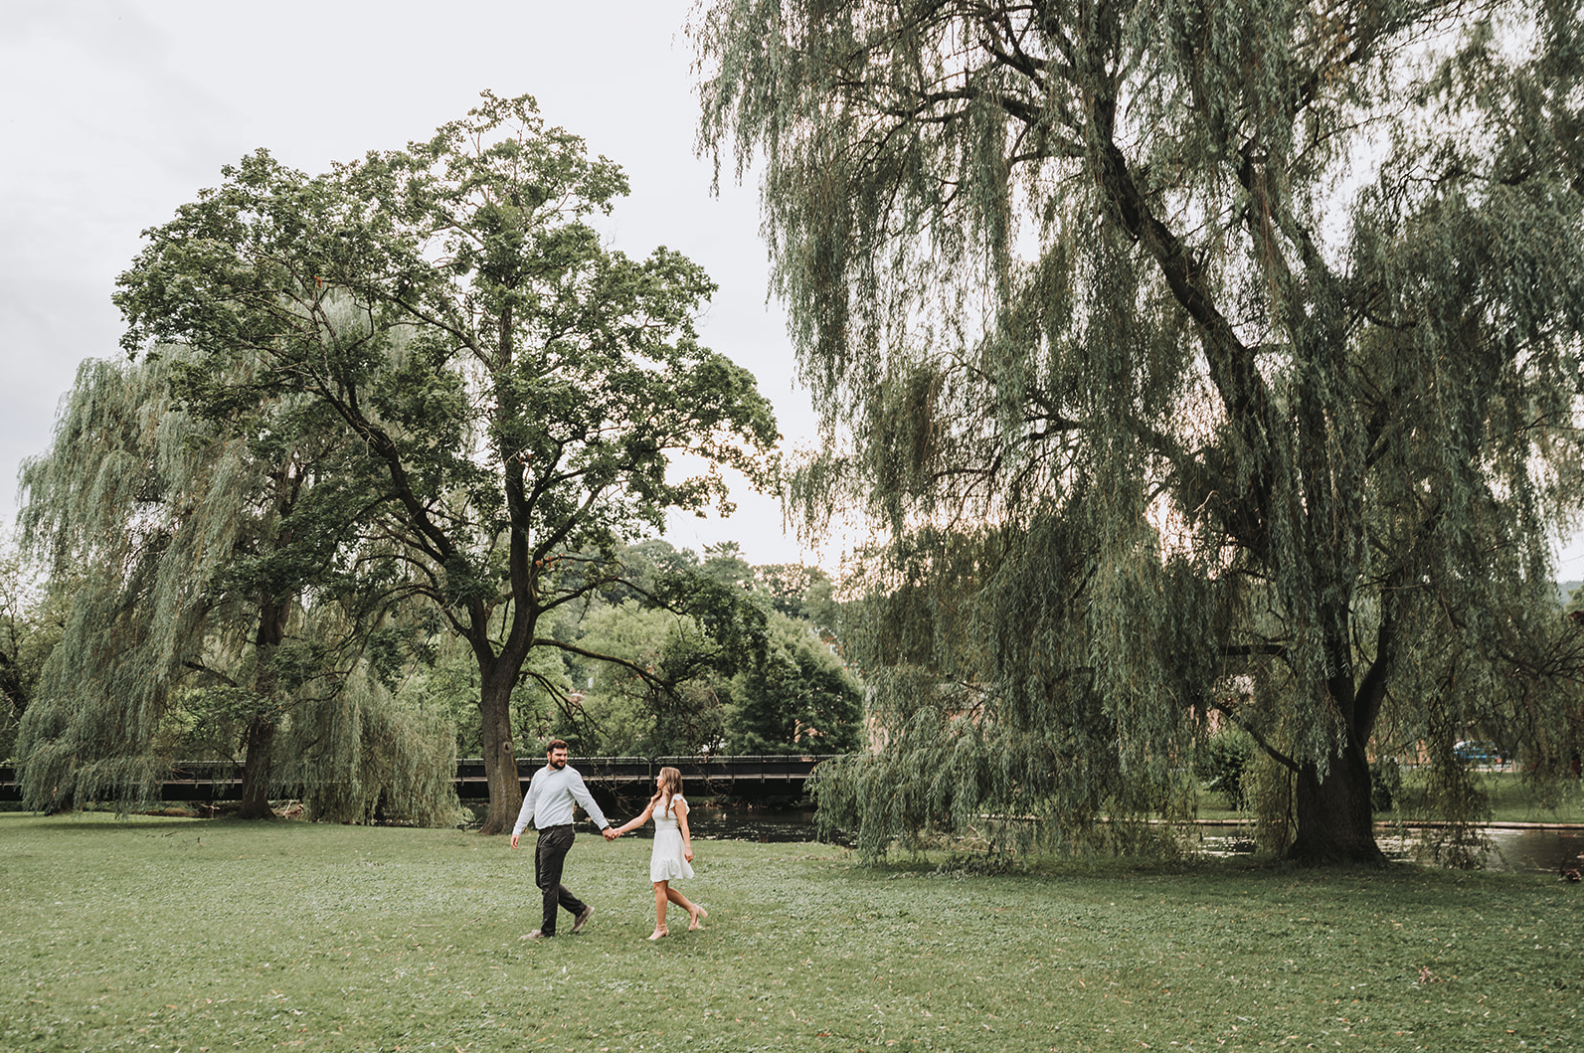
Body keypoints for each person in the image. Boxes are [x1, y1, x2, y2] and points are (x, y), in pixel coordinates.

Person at [509, 739, 618, 939]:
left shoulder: (570, 776)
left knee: (548, 883)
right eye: (559, 755)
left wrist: (604, 826)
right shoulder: (539, 776)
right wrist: (518, 829)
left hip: (561, 833)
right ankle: (580, 909)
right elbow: (529, 804)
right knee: (541, 881)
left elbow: (587, 801)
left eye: (565, 755)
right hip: (544, 834)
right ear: (548, 755)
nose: (562, 759)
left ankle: (547, 931)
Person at [610, 766, 708, 940]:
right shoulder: (656, 799)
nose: (657, 778)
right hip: (660, 843)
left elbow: (684, 825)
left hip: (671, 842)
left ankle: (661, 927)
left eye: (660, 776)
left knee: (658, 886)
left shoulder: (676, 800)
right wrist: (619, 830)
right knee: (661, 886)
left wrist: (687, 847)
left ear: (668, 780)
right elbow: (640, 819)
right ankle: (692, 909)